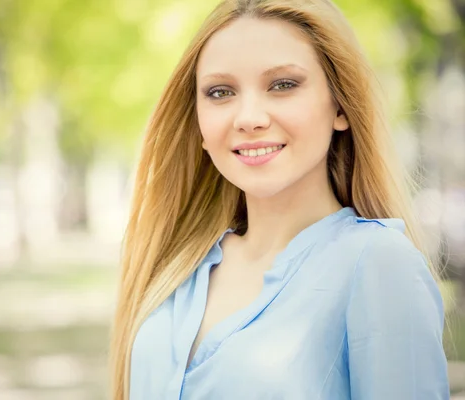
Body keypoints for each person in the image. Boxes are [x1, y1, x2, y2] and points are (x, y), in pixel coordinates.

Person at [109, 0, 450, 398]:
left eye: (283, 85)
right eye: (221, 92)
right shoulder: (175, 269)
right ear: (199, 121)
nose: (248, 117)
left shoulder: (377, 263)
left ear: (340, 105)